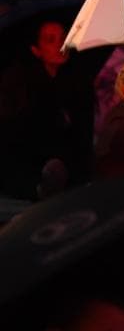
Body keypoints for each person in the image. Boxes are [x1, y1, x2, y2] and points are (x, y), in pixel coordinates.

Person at [0, 19, 94, 200]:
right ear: (36, 50)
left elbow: (83, 133)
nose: (60, 44)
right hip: (27, 166)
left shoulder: (78, 79)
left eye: (63, 37)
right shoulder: (18, 81)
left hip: (70, 169)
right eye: (51, 40)